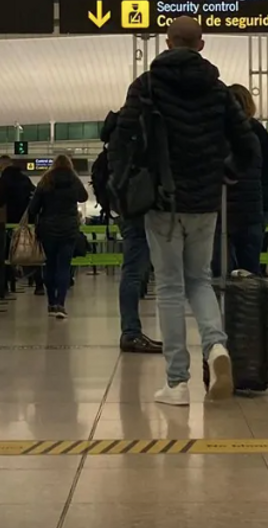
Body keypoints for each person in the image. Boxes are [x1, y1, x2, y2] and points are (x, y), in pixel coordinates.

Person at [110, 16, 258, 406]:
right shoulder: (219, 91)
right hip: (205, 202)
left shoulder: (145, 87)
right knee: (201, 281)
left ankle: (177, 383)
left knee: (171, 288)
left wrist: (122, 191)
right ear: (202, 45)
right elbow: (250, 148)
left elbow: (122, 143)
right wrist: (224, 174)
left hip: (161, 202)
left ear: (166, 42)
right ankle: (217, 348)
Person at [101, 110, 162, 354]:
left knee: (133, 271)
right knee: (137, 271)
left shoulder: (116, 134)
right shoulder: (139, 129)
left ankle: (131, 331)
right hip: (144, 208)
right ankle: (131, 332)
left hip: (127, 208)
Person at [213, 84, 268, 275]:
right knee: (250, 269)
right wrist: (267, 208)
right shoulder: (258, 131)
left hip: (221, 209)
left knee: (220, 269)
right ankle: (249, 304)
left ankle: (222, 304)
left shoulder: (217, 131)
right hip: (251, 210)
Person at [27, 154, 87, 318]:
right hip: (68, 229)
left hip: (48, 230)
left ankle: (51, 302)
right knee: (64, 267)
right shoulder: (73, 180)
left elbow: (33, 208)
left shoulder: (46, 180)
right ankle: (61, 303)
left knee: (50, 265)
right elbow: (84, 197)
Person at [0, 156, 41, 296]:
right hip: (26, 221)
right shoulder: (25, 179)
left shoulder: (3, 180)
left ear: (2, 165)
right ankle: (39, 284)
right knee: (32, 252)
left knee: (6, 253)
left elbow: (0, 200)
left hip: (8, 222)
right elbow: (34, 195)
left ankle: (5, 286)